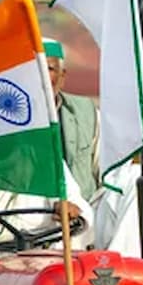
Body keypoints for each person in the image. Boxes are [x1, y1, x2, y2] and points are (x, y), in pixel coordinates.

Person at [45, 38, 103, 204]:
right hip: (33, 219)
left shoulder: (85, 112)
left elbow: (107, 173)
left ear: (62, 76)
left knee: (133, 175)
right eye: (34, 69)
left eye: (49, 69)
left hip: (85, 213)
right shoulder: (10, 120)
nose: (40, 75)